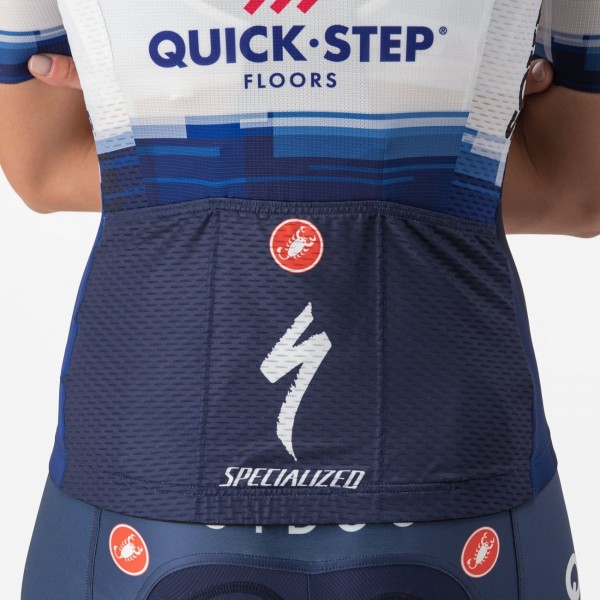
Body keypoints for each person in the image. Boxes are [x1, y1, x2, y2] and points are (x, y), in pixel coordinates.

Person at [1, 1, 599, 598]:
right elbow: (575, 187)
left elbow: (45, 164)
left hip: (151, 454)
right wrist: (446, 141)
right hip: (449, 453)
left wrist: (160, 121)